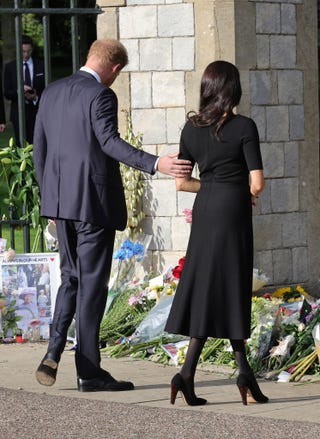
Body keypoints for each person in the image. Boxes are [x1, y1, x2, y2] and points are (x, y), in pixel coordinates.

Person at [33, 39, 192, 393]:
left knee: (71, 278)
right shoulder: (100, 94)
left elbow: (39, 149)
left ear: (90, 55)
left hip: (60, 206)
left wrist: (50, 204)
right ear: (115, 69)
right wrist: (155, 163)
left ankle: (53, 350)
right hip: (92, 205)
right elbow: (109, 142)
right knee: (91, 286)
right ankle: (88, 371)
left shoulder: (52, 92)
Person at [164, 60, 267, 406]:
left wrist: (212, 186)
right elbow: (257, 184)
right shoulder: (243, 126)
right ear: (233, 89)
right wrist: (240, 192)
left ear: (207, 88)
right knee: (231, 285)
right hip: (233, 213)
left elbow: (182, 182)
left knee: (210, 286)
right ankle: (237, 375)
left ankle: (195, 374)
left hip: (205, 208)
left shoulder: (190, 128)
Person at [4, 35, 45, 145]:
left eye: (29, 51)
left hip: (37, 111)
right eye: (23, 51)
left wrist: (36, 97)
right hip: (18, 112)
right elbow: (7, 93)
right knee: (20, 145)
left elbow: (47, 89)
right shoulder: (10, 67)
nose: (26, 54)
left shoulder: (41, 65)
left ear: (32, 50)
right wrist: (19, 91)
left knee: (38, 144)